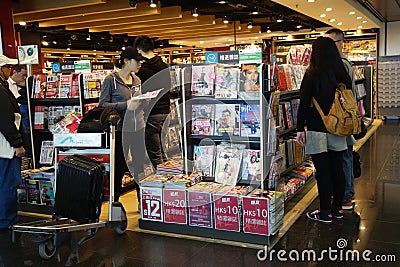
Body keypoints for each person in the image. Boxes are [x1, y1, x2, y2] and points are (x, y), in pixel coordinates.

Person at [296, 37, 352, 223]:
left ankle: (325, 212)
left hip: (317, 128)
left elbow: (304, 103)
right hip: (339, 127)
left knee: (323, 171)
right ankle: (337, 209)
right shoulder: (342, 73)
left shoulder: (312, 73)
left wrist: (299, 128)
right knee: (338, 168)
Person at [99, 46, 147, 203]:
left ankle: (142, 203)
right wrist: (125, 105)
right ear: (126, 61)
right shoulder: (110, 80)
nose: (140, 64)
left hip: (138, 127)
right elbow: (103, 104)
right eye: (137, 61)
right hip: (119, 130)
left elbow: (138, 102)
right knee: (119, 167)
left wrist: (144, 101)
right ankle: (115, 203)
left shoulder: (137, 80)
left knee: (140, 167)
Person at [325, 28, 357, 210]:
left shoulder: (341, 64)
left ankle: (345, 195)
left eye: (330, 43)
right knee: (345, 156)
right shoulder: (343, 64)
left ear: (340, 43)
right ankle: (347, 193)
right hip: (345, 117)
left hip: (342, 118)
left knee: (344, 156)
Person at [134, 35, 171, 170]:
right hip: (165, 110)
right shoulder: (164, 66)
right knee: (161, 148)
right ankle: (167, 174)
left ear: (139, 50)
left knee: (154, 151)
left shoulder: (144, 70)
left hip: (152, 111)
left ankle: (162, 178)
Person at [0, 54, 27, 229]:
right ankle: (7, 222)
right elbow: (5, 119)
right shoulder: (0, 90)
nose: (10, 70)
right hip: (5, 148)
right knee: (7, 185)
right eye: (7, 67)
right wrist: (17, 143)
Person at [7, 65, 31, 157]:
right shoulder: (7, 85)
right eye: (22, 75)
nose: (24, 77)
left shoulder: (23, 84)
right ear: (15, 72)